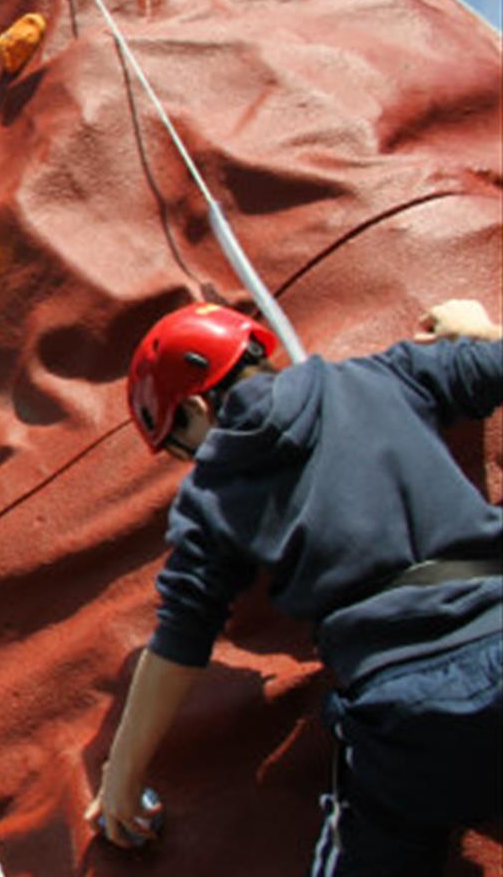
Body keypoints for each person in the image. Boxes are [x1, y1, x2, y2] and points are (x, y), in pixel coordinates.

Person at [87, 298, 503, 874]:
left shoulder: (214, 491)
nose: (189, 462)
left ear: (200, 406)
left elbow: (178, 644)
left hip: (411, 718)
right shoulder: (386, 375)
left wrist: (120, 779)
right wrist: (480, 335)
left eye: (180, 445)